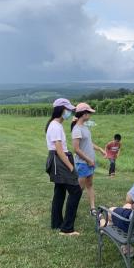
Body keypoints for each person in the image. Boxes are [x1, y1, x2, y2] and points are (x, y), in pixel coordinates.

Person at [45, 98, 82, 236]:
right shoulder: (55, 126)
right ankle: (67, 228)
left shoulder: (56, 125)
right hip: (60, 160)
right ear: (61, 110)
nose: (69, 112)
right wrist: (70, 166)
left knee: (60, 191)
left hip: (58, 159)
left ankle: (56, 223)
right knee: (76, 191)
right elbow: (59, 150)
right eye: (67, 110)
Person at [71, 102, 106, 217]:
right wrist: (88, 160)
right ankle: (71, 209)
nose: (90, 115)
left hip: (89, 162)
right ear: (84, 114)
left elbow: (89, 143)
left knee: (90, 184)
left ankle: (92, 208)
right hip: (83, 163)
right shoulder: (76, 129)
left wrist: (100, 149)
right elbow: (76, 149)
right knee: (78, 189)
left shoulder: (84, 127)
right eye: (89, 113)